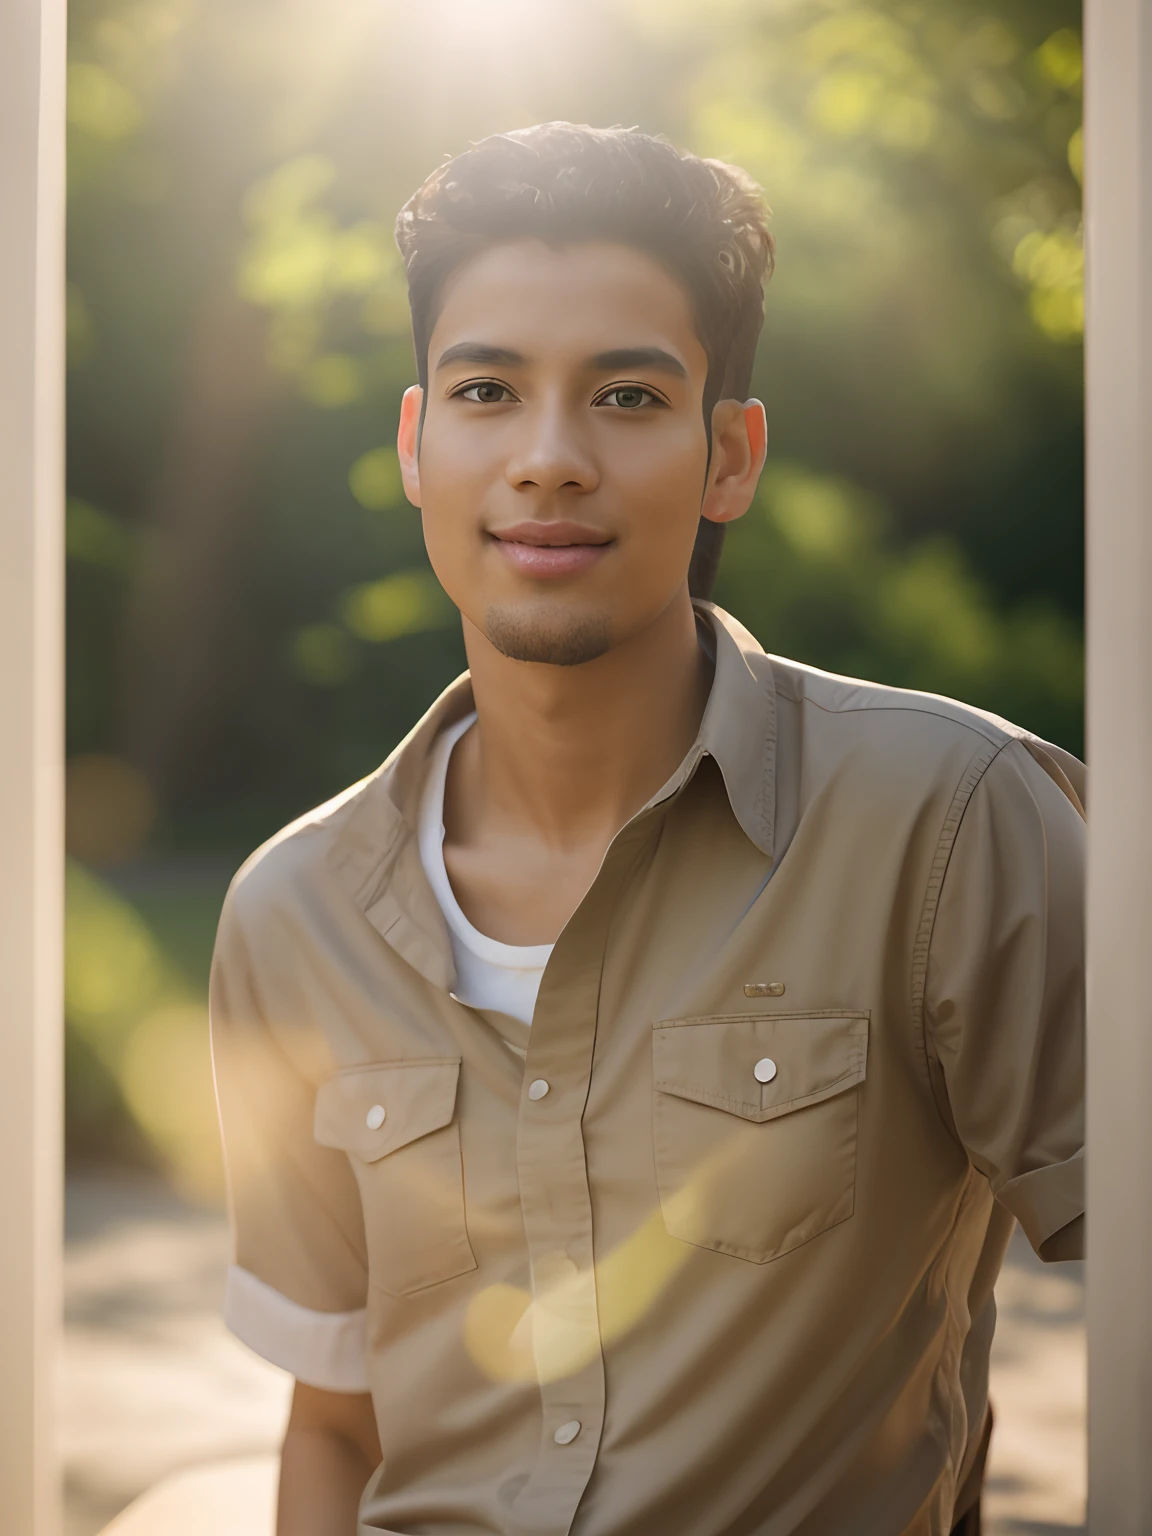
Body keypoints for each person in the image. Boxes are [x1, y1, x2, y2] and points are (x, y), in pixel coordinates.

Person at [210, 123, 1084, 1536]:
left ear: (728, 457)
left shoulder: (952, 820)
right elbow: (334, 1426)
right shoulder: (291, 909)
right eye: (488, 389)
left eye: (625, 395)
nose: (549, 460)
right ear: (418, 446)